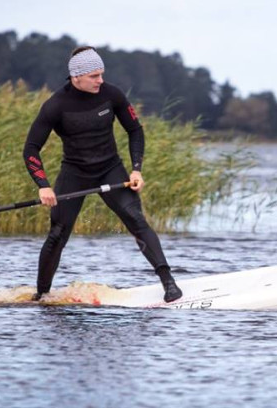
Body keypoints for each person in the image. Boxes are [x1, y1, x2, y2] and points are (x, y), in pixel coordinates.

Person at [23, 46, 183, 303]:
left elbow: (135, 130)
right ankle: (41, 295)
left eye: (102, 74)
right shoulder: (55, 105)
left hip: (111, 170)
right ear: (77, 77)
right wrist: (43, 185)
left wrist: (136, 169)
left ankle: (169, 284)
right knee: (57, 233)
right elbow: (31, 148)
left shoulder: (112, 95)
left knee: (136, 219)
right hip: (74, 173)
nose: (101, 80)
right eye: (94, 76)